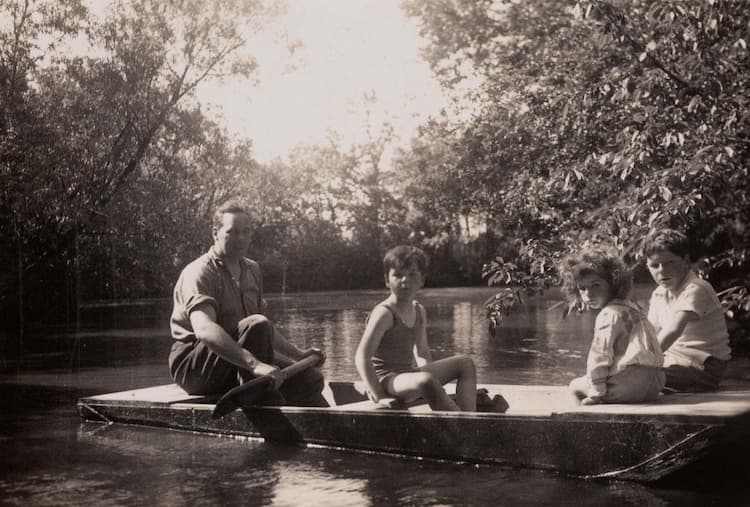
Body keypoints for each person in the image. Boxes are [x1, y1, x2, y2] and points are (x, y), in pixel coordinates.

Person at [168, 199, 327, 406]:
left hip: (239, 361)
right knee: (256, 325)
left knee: (310, 378)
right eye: (232, 232)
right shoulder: (199, 272)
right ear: (215, 233)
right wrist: (255, 365)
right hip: (195, 368)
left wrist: (299, 354)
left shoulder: (253, 269)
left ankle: (320, 426)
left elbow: (264, 330)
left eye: (246, 232)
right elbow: (204, 330)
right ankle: (263, 406)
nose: (240, 238)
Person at [354, 245, 477, 411]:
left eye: (412, 274)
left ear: (422, 280)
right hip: (387, 381)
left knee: (466, 363)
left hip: (409, 376)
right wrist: (379, 396)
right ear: (387, 280)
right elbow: (362, 357)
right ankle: (462, 428)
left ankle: (471, 419)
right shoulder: (384, 313)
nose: (405, 280)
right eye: (397, 275)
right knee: (425, 380)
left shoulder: (419, 310)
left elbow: (422, 353)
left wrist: (434, 385)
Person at [561, 248, 665, 405]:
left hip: (626, 387)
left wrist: (596, 393)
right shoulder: (634, 308)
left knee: (574, 386)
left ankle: (580, 424)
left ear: (614, 283)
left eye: (596, 285)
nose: (588, 294)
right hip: (653, 386)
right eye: (582, 288)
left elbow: (600, 355)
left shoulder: (608, 314)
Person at [642, 228, 731, 392]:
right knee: (624, 373)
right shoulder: (659, 294)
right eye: (655, 265)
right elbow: (651, 334)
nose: (662, 270)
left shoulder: (697, 288)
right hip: (674, 359)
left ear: (686, 261)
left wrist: (640, 361)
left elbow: (673, 330)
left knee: (637, 376)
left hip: (705, 366)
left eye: (669, 263)